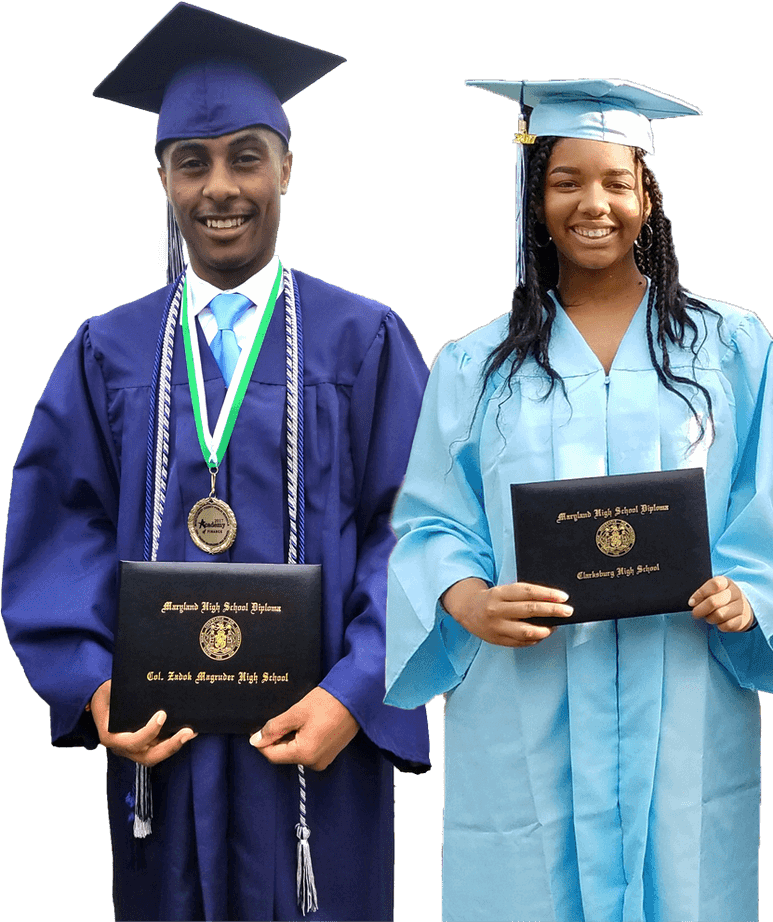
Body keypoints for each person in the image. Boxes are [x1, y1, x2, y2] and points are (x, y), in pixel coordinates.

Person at [0, 4, 430, 919]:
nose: (219, 187)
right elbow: (55, 529)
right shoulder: (106, 352)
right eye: (192, 162)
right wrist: (95, 686)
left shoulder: (364, 341)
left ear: (286, 168)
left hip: (318, 756)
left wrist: (355, 695)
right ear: (162, 176)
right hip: (165, 753)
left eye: (245, 157)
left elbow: (418, 529)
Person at [384, 77, 773, 922]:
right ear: (535, 198)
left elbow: (764, 506)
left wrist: (746, 590)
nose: (594, 204)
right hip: (527, 684)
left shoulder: (729, 346)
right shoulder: (477, 364)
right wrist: (467, 600)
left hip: (682, 678)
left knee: (685, 878)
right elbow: (432, 516)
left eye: (618, 181)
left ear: (650, 197)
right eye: (566, 180)